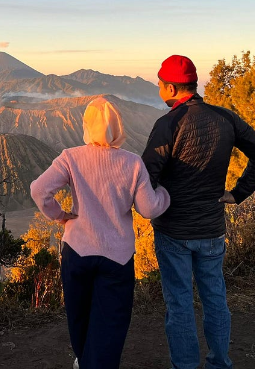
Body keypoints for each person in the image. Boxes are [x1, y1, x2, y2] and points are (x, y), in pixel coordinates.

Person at [142, 55, 255, 369]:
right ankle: (219, 363)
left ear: (171, 88)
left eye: (160, 85)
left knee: (180, 304)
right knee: (215, 298)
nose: (159, 89)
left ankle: (186, 366)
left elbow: (147, 176)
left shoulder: (168, 125)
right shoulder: (225, 118)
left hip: (174, 230)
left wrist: (155, 202)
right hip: (212, 229)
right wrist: (237, 193)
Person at [31, 97, 171, 369]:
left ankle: (84, 360)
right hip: (116, 257)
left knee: (78, 314)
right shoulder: (132, 163)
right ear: (118, 127)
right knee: (110, 323)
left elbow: (39, 190)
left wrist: (59, 215)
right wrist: (165, 193)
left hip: (77, 250)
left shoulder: (70, 157)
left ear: (86, 126)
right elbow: (149, 208)